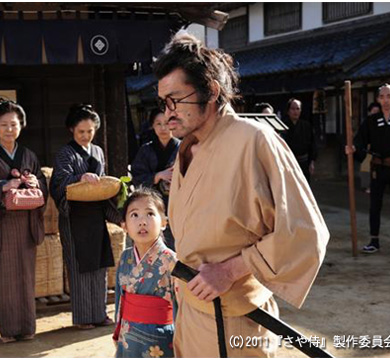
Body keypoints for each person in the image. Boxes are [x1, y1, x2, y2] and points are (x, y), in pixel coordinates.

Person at [154, 33, 329, 357]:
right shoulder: (188, 148)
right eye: (164, 103)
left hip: (236, 319)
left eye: (176, 100)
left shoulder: (255, 140)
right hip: (191, 308)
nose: (168, 113)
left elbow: (305, 231)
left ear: (212, 91)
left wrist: (230, 270)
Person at [0, 100, 47, 343]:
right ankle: (8, 330)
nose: (9, 129)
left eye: (14, 124)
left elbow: (44, 186)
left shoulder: (29, 155)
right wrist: (4, 185)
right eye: (4, 125)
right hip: (0, 225)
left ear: (21, 126)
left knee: (26, 276)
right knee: (4, 278)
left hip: (25, 224)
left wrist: (35, 183)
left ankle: (27, 327)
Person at [50, 104, 122, 330]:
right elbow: (58, 183)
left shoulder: (98, 151)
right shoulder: (65, 153)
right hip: (75, 216)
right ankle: (83, 317)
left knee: (99, 264)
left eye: (90, 131)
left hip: (96, 215)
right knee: (80, 266)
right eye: (81, 131)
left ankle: (99, 313)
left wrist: (117, 214)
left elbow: (103, 184)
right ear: (71, 129)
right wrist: (80, 176)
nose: (86, 135)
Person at [345, 84, 390, 255]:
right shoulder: (371, 121)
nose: (386, 100)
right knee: (375, 206)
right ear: (378, 99)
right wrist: (353, 149)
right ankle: (374, 240)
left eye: (389, 96)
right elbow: (359, 141)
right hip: (378, 169)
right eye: (382, 96)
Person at [113, 187, 176, 358]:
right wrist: (118, 329)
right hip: (128, 336)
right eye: (134, 215)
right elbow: (120, 298)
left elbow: (181, 309)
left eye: (150, 214)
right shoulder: (125, 257)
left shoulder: (172, 261)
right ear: (124, 226)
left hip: (163, 338)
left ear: (164, 222)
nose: (142, 221)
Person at [131, 108, 180, 249]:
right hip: (152, 205)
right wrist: (157, 176)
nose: (163, 128)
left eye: (166, 123)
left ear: (173, 124)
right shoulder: (145, 150)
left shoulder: (183, 148)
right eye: (158, 124)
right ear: (152, 126)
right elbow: (137, 176)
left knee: (178, 246)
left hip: (177, 205)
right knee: (153, 245)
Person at [282, 98, 318, 183]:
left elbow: (312, 144)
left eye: (298, 109)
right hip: (289, 163)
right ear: (288, 111)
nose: (295, 111)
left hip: (304, 163)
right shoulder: (283, 126)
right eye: (293, 109)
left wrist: (312, 162)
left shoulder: (306, 126)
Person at [359, 102, 382, 193]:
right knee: (366, 169)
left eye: (377, 111)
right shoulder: (367, 122)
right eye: (373, 111)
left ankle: (376, 187)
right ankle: (367, 186)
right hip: (367, 148)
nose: (375, 112)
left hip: (378, 150)